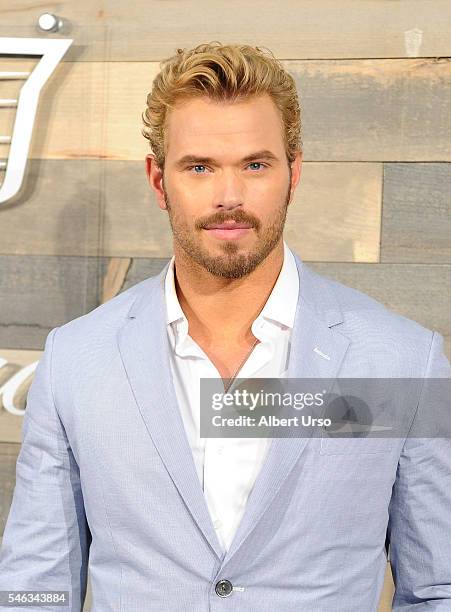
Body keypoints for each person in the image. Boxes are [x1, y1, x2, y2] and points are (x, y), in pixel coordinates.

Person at [0, 41, 450, 612]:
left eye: (256, 165)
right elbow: (35, 587)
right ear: (159, 180)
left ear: (295, 173)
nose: (229, 197)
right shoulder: (77, 358)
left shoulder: (400, 360)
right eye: (199, 167)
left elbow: (439, 585)